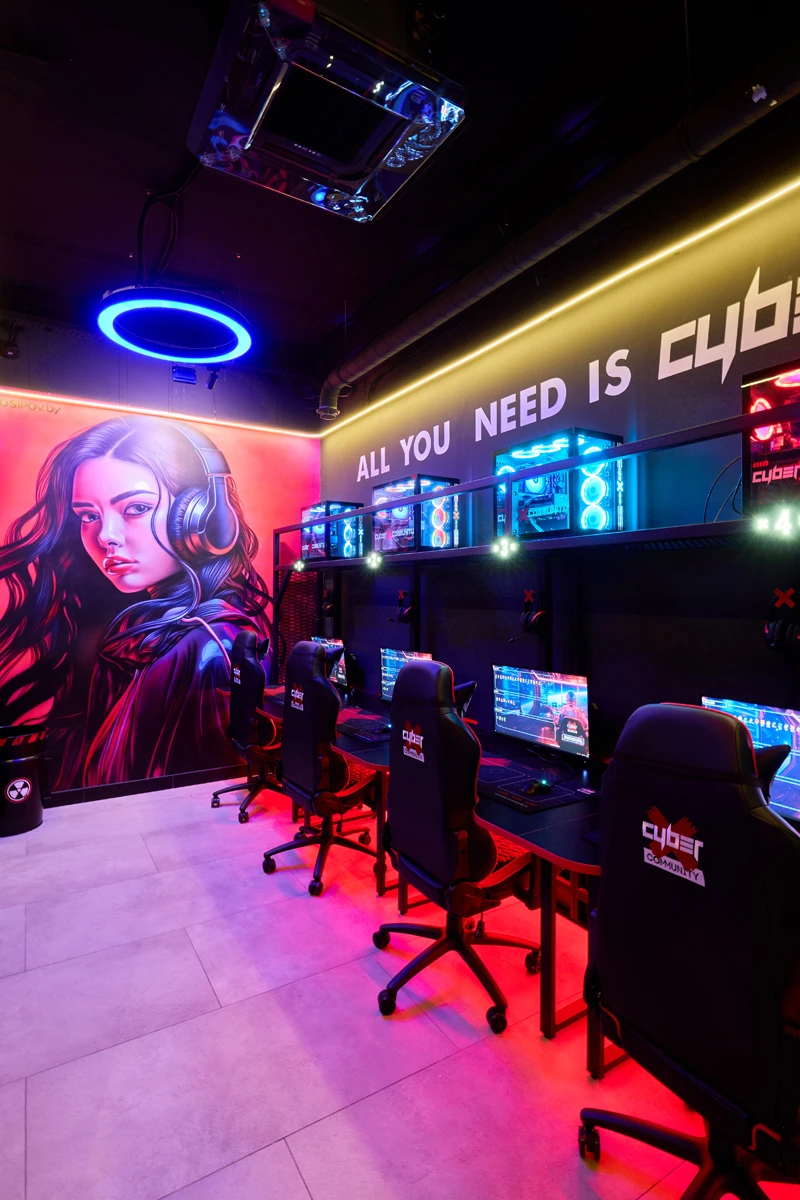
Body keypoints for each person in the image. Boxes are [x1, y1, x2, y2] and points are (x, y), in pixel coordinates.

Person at [0, 415, 271, 790]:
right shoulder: (136, 632)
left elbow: (197, 795)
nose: (105, 536)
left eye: (136, 508)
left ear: (204, 520)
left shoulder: (205, 645)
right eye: (89, 516)